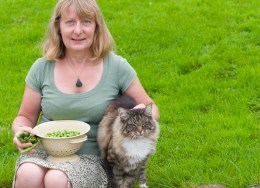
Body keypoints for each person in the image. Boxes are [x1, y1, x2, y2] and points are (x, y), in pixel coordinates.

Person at [11, 0, 160, 187]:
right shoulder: (41, 67)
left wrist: (138, 113)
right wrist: (20, 130)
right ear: (58, 27)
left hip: (94, 158)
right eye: (70, 22)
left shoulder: (116, 66)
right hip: (45, 153)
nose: (78, 30)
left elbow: (151, 108)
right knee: (28, 174)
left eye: (86, 22)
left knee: (56, 179)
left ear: (97, 27)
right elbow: (24, 116)